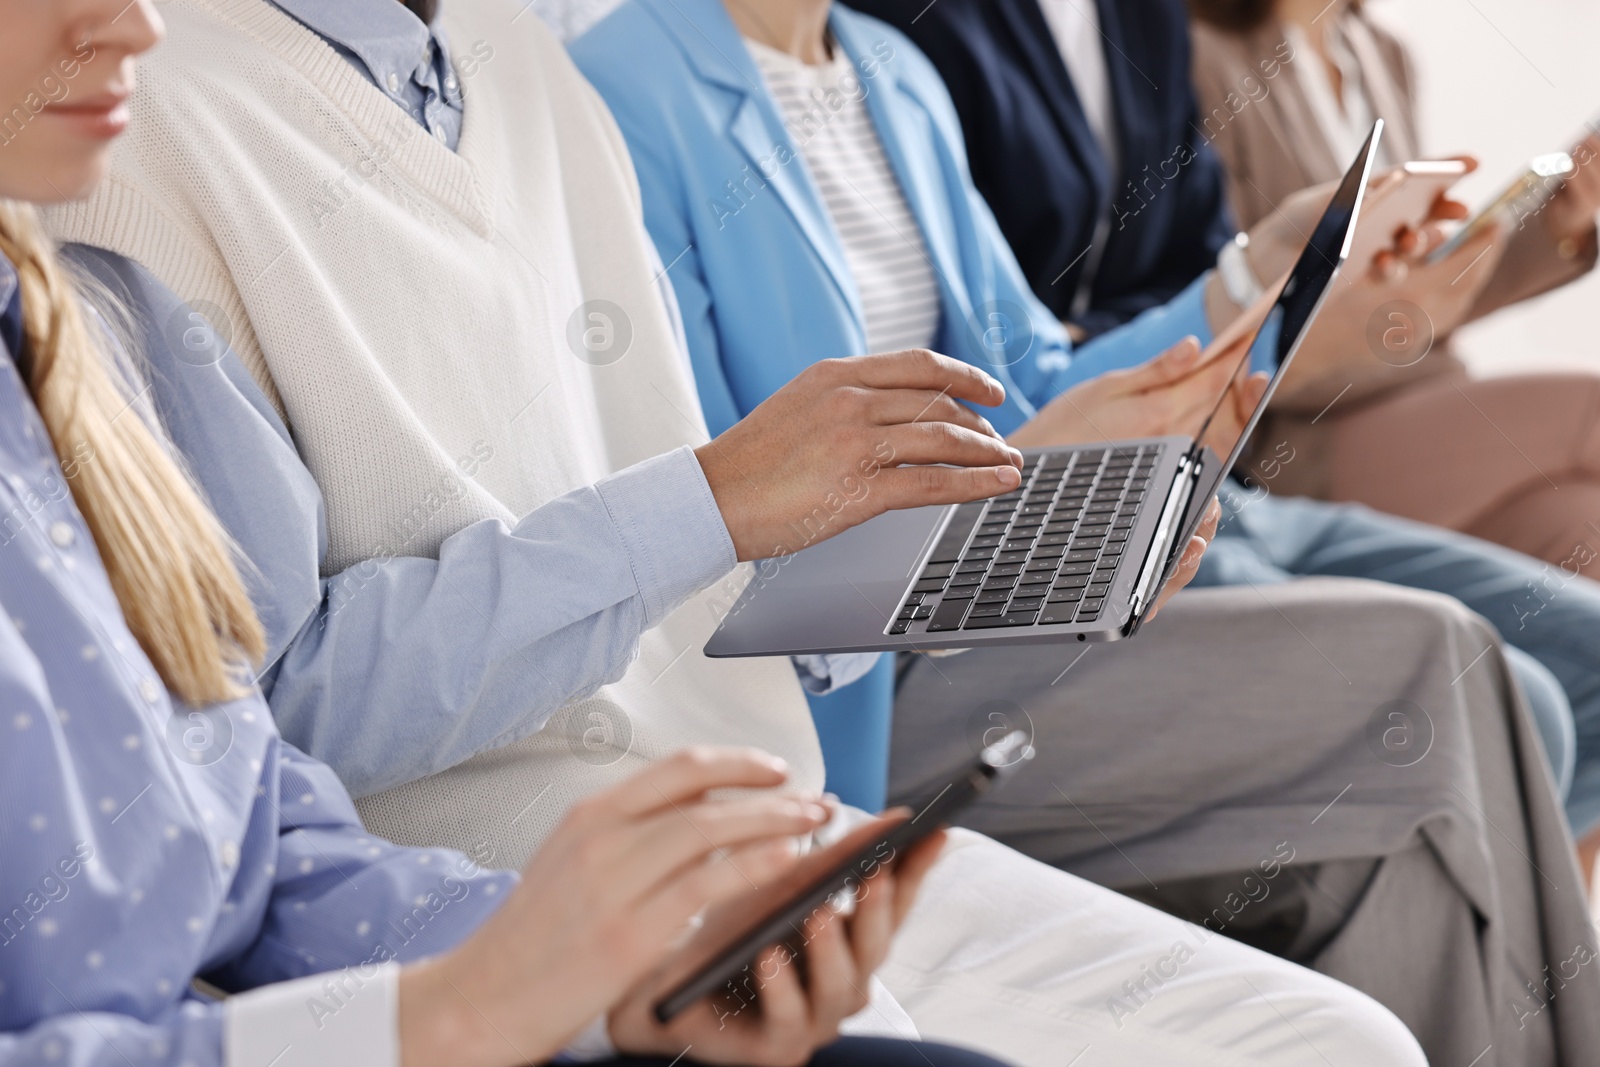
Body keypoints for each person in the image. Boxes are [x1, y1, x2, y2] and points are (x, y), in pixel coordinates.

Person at [35, 0, 1442, 1062]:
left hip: (762, 821)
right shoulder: (115, 119)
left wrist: (988, 511)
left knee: (1339, 1041)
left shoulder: (515, 58)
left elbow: (693, 552)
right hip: (517, 862)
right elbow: (269, 726)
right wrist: (725, 499)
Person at [567, 0, 1600, 1061]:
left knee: (1394, 859)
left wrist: (1253, 280)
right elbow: (713, 520)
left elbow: (1033, 382)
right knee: (1438, 661)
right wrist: (1017, 481)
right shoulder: (620, 89)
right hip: (849, 680)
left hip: (993, 576)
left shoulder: (888, 69)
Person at [0, 4, 1008, 1066]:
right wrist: (455, 1010)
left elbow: (255, 813)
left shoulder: (62, 331)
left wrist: (589, 969)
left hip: (651, 866)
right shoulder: (129, 171)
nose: (137, 21)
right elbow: (292, 702)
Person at [853, 0, 1600, 887]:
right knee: (1519, 683)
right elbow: (1057, 359)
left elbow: (1222, 280)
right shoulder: (923, 44)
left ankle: (1504, 934)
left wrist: (1549, 231)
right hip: (1267, 424)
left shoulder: (1170, 26)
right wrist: (1274, 298)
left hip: (1239, 434)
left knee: (1577, 549)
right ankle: (1467, 921)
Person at [1186, 0, 1600, 575]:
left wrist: (1560, 220)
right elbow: (1220, 317)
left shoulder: (1380, 51)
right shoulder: (1201, 56)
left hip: (1427, 398)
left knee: (1585, 525)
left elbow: (1418, 297)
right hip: (1303, 435)